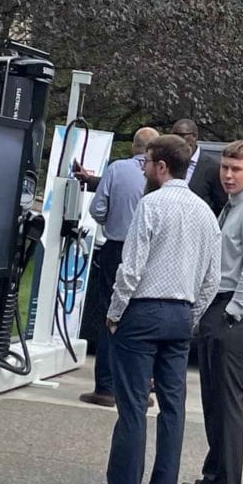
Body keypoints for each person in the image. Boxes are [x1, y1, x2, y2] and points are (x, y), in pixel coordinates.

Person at [79, 135, 222, 484]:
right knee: (173, 410)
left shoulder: (151, 204)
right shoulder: (205, 212)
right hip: (180, 312)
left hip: (143, 311)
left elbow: (132, 267)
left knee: (132, 409)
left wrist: (114, 311)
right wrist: (190, 316)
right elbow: (213, 277)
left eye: (147, 162)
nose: (142, 167)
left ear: (161, 166)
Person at [179, 141, 243, 484]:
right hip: (218, 308)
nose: (229, 175)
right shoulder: (232, 207)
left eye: (237, 169)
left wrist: (231, 313)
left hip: (235, 311)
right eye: (225, 168)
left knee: (227, 403)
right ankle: (213, 475)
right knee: (213, 401)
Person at [79, 127, 158, 408]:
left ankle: (106, 386)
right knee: (142, 315)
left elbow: (97, 209)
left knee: (110, 313)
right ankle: (139, 386)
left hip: (116, 246)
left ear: (133, 147)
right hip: (150, 251)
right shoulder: (160, 175)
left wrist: (111, 220)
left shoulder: (116, 169)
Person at [170, 118, 228, 216]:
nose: (177, 140)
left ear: (194, 136)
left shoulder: (212, 168)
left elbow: (221, 206)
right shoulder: (168, 162)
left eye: (181, 136)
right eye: (174, 136)